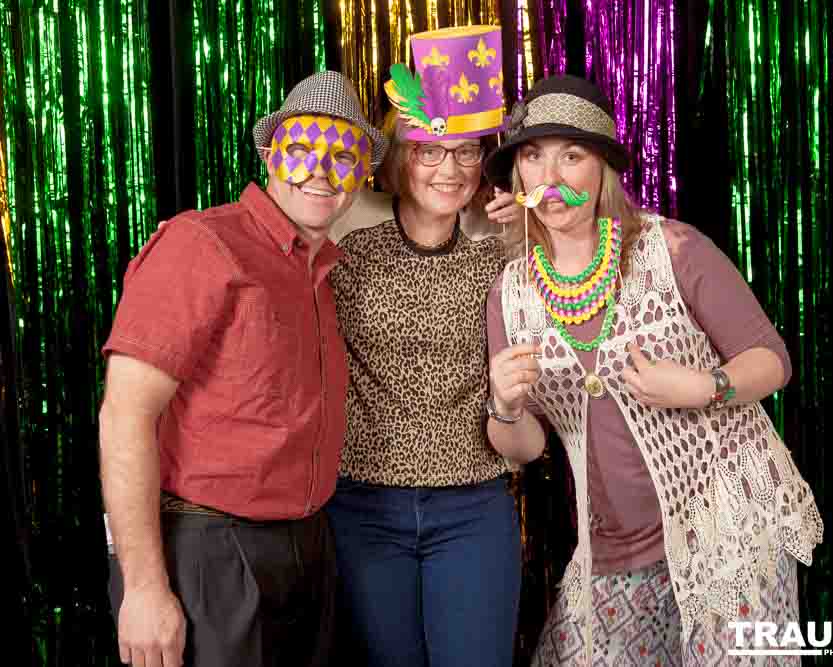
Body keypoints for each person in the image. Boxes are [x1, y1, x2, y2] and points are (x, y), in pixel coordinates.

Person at [483, 75, 824, 666]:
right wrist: (505, 406)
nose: (551, 176)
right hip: (613, 548)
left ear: (603, 171)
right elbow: (524, 446)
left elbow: (772, 360)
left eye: (573, 155)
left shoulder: (672, 249)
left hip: (728, 522)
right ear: (518, 177)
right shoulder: (510, 294)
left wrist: (705, 386)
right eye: (533, 157)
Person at [99, 71, 385, 667]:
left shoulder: (324, 268)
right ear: (270, 154)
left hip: (309, 544)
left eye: (343, 157)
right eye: (302, 149)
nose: (320, 170)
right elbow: (126, 414)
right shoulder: (201, 243)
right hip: (211, 551)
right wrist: (145, 589)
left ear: (361, 175)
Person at [323, 25, 523, 667]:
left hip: (473, 502)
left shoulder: (501, 236)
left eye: (466, 152)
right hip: (362, 502)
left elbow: (583, 271)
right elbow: (266, 228)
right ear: (398, 155)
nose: (450, 168)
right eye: (430, 150)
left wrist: (531, 233)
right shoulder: (347, 222)